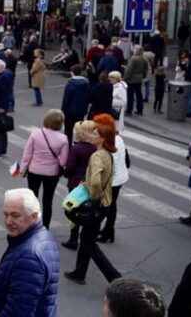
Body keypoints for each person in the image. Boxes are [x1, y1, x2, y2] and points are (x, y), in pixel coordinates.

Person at [0, 188, 60, 317]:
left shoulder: (30, 257)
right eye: (6, 214)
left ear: (33, 216)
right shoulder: (43, 237)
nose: (8, 221)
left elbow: (17, 312)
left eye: (15, 215)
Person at [64, 121, 122, 285]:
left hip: (97, 203)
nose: (92, 136)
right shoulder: (108, 154)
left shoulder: (97, 156)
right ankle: (79, 272)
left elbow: (96, 182)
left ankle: (115, 277)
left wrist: (93, 198)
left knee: (89, 243)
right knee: (87, 239)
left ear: (103, 138)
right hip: (106, 202)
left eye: (95, 134)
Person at [20, 109, 69, 229]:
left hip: (34, 171)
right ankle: (45, 227)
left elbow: (27, 154)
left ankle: (31, 225)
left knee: (33, 199)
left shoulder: (36, 134)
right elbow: (63, 161)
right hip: (52, 174)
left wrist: (22, 169)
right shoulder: (63, 139)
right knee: (48, 201)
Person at [93, 114, 130, 244]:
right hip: (120, 178)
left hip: (112, 180)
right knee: (111, 205)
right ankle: (108, 231)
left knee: (106, 206)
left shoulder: (106, 143)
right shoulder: (118, 138)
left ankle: (107, 232)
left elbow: (106, 166)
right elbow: (127, 161)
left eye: (97, 125)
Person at [62, 120, 98, 250]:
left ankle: (73, 238)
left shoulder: (76, 149)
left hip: (76, 185)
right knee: (89, 209)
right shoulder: (97, 148)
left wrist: (64, 172)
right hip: (91, 184)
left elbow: (70, 169)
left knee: (74, 211)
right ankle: (87, 237)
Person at [62, 65, 91, 144]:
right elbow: (89, 97)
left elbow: (66, 100)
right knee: (80, 129)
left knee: (68, 130)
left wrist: (63, 111)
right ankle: (80, 145)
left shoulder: (70, 84)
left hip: (70, 111)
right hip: (81, 111)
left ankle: (68, 146)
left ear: (72, 72)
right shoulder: (86, 84)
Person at [124, 45, 149, 116]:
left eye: (134, 49)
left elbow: (129, 70)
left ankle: (129, 110)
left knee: (130, 95)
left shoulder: (134, 59)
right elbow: (145, 69)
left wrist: (125, 78)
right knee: (139, 95)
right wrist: (143, 76)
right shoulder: (144, 58)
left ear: (136, 51)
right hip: (139, 79)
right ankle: (140, 109)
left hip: (131, 79)